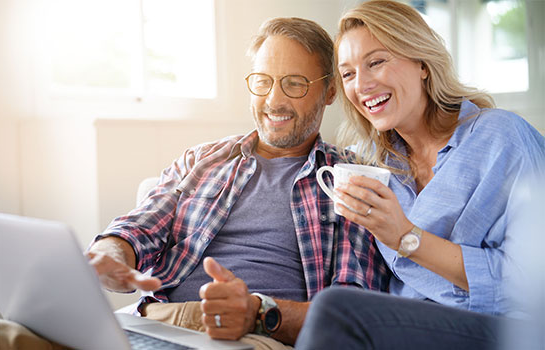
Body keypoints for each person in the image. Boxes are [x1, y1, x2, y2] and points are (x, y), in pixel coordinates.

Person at [85, 17, 389, 350]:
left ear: (330, 91)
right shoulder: (201, 160)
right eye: (263, 81)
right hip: (158, 322)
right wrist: (110, 253)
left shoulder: (348, 177)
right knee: (19, 336)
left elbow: (352, 312)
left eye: (294, 83)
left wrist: (258, 312)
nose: (274, 100)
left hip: (259, 335)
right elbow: (137, 229)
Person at [295, 1, 545, 349]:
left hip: (508, 328)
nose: (361, 85)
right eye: (348, 73)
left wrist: (406, 237)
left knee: (336, 311)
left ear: (422, 64)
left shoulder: (502, 137)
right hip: (411, 327)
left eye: (376, 62)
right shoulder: (376, 166)